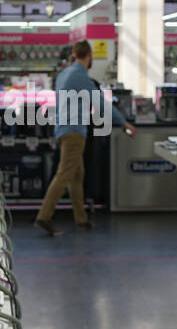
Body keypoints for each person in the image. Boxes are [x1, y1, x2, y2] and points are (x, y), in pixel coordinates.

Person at [34, 40, 134, 234]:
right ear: (89, 56)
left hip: (62, 128)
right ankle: (44, 216)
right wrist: (123, 122)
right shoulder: (81, 77)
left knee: (77, 175)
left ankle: (81, 219)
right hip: (74, 131)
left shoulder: (63, 75)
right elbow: (101, 104)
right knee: (64, 174)